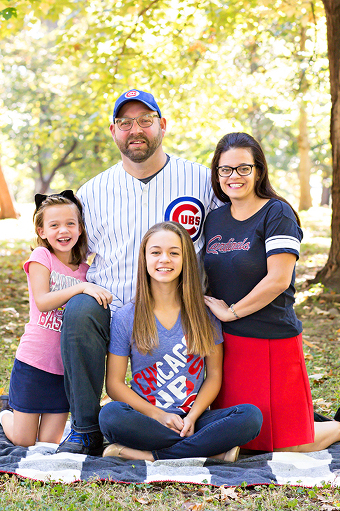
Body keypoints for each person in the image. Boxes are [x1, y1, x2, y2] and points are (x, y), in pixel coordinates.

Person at [55, 90, 219, 455]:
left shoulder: (200, 181)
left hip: (179, 309)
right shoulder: (93, 192)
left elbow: (233, 227)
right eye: (125, 123)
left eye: (145, 120)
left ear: (162, 125)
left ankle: (193, 423)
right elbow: (70, 252)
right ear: (113, 131)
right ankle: (84, 428)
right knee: (80, 310)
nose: (136, 129)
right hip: (114, 307)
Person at [202, 132, 340, 452]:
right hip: (226, 344)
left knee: (286, 445)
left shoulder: (277, 213)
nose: (233, 177)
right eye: (225, 170)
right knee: (245, 439)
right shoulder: (214, 219)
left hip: (269, 339)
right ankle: (307, 419)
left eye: (243, 168)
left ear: (259, 170)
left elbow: (278, 279)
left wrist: (231, 311)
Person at [99, 222, 262, 461]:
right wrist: (158, 416)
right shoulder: (126, 317)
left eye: (174, 253)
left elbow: (214, 375)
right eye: (155, 252)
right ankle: (207, 452)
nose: (164, 259)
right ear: (144, 259)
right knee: (111, 416)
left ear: (186, 259)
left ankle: (149, 455)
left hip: (192, 417)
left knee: (250, 416)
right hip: (146, 419)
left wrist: (193, 417)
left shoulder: (204, 314)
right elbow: (114, 385)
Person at [0, 191, 112, 447]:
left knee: (49, 441)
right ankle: (5, 413)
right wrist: (81, 289)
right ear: (42, 231)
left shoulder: (86, 270)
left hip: (64, 369)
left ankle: (15, 414)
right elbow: (43, 301)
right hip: (34, 362)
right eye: (54, 225)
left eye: (70, 223)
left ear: (81, 229)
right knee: (23, 440)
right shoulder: (41, 257)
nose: (64, 230)